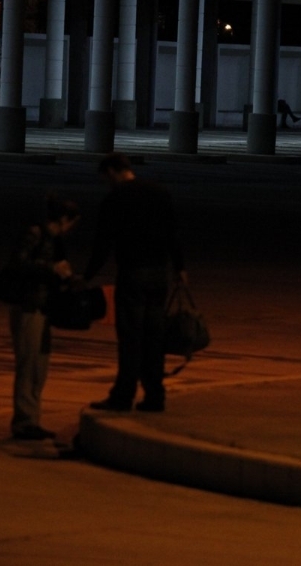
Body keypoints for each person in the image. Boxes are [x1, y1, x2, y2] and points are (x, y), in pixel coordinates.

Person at [83, 153, 186, 412]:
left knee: (130, 338)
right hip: (159, 274)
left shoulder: (115, 198)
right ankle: (155, 395)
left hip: (132, 274)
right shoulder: (159, 193)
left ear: (112, 171)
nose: (107, 182)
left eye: (106, 177)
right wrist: (180, 267)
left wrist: (85, 276)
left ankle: (123, 395)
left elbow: (103, 244)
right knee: (154, 338)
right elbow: (173, 232)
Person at [7, 194, 80, 440]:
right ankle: (24, 421)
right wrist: (51, 269)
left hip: (45, 307)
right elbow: (17, 263)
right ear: (64, 219)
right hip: (29, 306)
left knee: (40, 365)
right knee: (28, 363)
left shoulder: (55, 241)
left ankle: (32, 418)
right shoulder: (35, 234)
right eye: (72, 223)